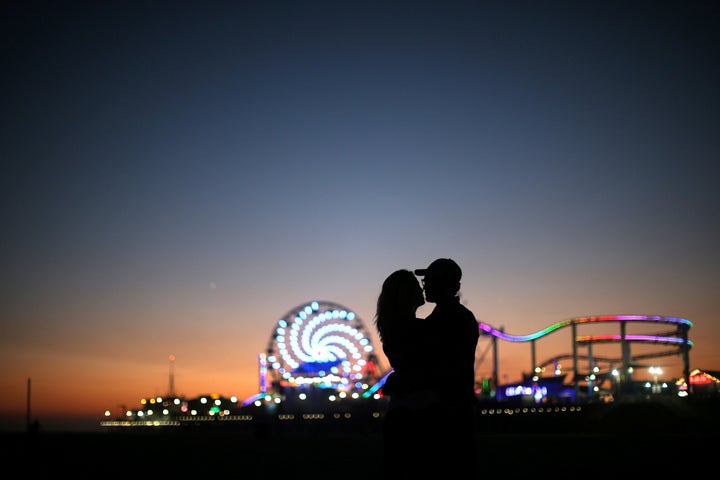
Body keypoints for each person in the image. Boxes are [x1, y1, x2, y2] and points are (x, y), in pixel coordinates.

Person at [414, 257, 480, 471]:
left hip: (445, 412)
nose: (425, 286)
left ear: (450, 286)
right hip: (457, 409)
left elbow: (433, 366)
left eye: (431, 281)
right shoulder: (461, 317)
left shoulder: (444, 320)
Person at [373, 269, 439, 477]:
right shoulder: (419, 329)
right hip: (416, 416)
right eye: (415, 286)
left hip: (400, 412)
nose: (421, 289)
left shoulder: (394, 329)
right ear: (405, 294)